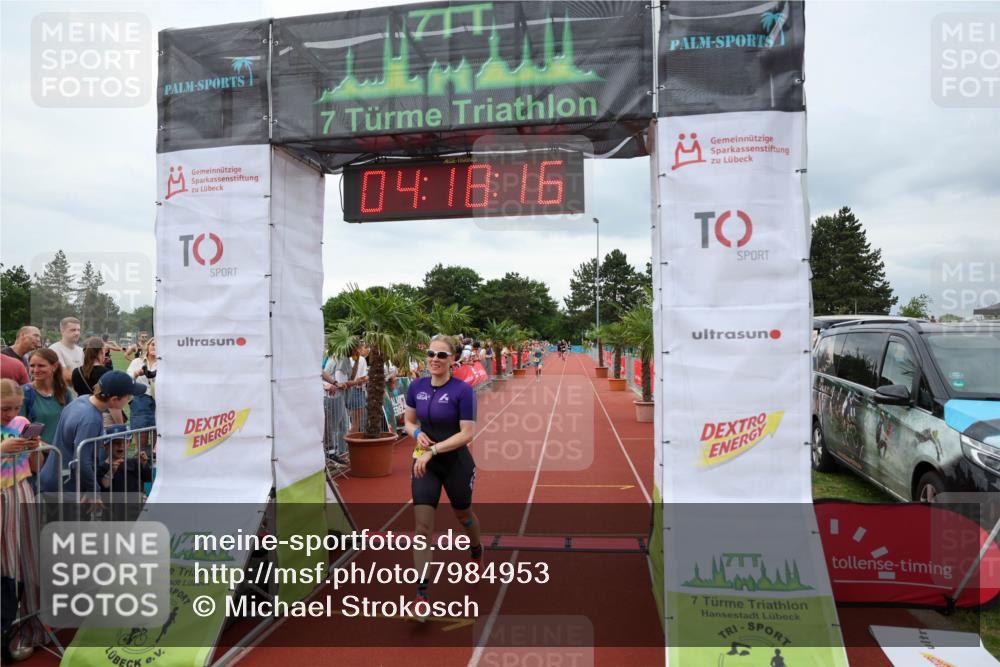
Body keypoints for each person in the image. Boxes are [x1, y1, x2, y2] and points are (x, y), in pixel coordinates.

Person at [404, 334, 480, 619]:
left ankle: (476, 550)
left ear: (453, 360)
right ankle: (421, 595)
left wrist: (433, 449)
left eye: (442, 355)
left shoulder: (462, 391)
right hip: (426, 465)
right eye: (431, 354)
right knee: (422, 530)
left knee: (464, 516)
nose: (435, 359)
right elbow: (408, 421)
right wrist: (416, 433)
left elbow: (467, 433)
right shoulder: (416, 386)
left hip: (455, 463)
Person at [38, 371, 145, 496]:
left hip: (54, 477)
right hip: (66, 486)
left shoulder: (82, 400)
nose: (129, 400)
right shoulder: (91, 419)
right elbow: (82, 460)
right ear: (115, 399)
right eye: (129, 397)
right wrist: (94, 490)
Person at [0, 380, 47, 660]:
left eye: (15, 408)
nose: (10, 413)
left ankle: (25, 625)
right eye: (5, 408)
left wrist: (35, 448)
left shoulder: (21, 422)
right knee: (6, 563)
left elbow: (35, 467)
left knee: (26, 559)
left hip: (21, 491)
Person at [21, 349, 75, 466]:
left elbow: (71, 423)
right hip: (35, 458)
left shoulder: (65, 393)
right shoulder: (24, 393)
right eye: (32, 366)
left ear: (54, 366)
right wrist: (48, 448)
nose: (35, 370)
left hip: (61, 457)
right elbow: (19, 429)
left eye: (41, 366)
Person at [125, 338, 157, 444]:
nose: (155, 346)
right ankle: (141, 458)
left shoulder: (165, 363)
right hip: (140, 400)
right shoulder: (137, 362)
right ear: (147, 346)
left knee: (158, 437)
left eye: (158, 345)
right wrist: (136, 374)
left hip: (159, 402)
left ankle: (154, 458)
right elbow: (127, 380)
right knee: (141, 437)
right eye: (153, 344)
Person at [48, 317, 83, 384]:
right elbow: (66, 376)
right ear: (62, 330)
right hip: (63, 393)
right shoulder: (54, 349)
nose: (77, 333)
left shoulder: (81, 351)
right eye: (73, 330)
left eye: (78, 330)